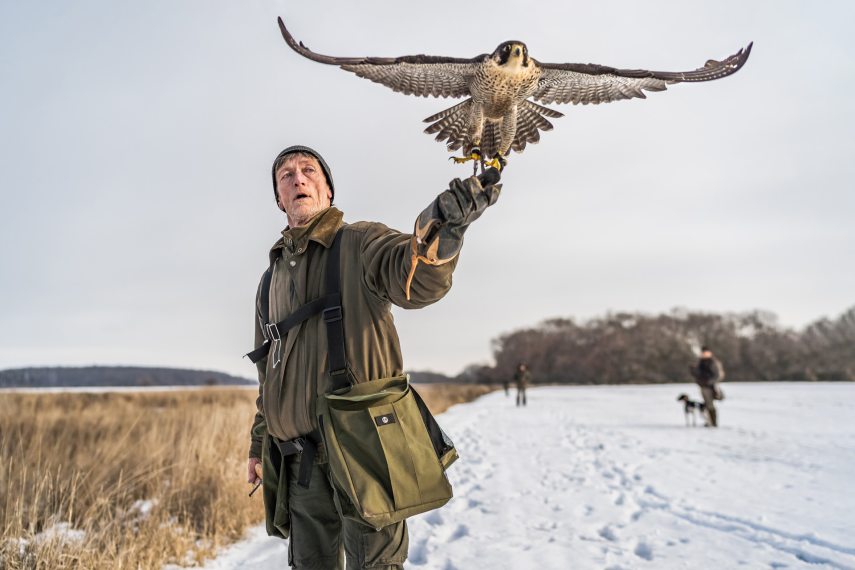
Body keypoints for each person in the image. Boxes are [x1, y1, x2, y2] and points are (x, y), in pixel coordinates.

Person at [246, 145, 501, 569]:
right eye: (285, 175)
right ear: (278, 198)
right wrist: (260, 443)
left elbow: (414, 278)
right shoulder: (269, 280)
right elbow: (268, 374)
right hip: (298, 460)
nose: (298, 179)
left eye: (309, 171)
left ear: (328, 191)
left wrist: (440, 231)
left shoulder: (360, 242)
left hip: (364, 448)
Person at [689, 346, 725, 427]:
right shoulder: (699, 362)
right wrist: (693, 370)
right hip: (703, 386)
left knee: (710, 404)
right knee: (707, 404)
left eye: (706, 353)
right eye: (703, 353)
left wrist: (710, 381)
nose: (704, 354)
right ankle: (709, 421)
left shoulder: (714, 362)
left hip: (712, 385)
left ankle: (713, 422)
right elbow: (697, 374)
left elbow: (718, 375)